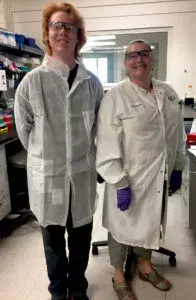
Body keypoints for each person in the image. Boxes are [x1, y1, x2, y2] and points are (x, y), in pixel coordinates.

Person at [14, 2, 103, 300]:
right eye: (56, 26)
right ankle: (57, 291)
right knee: (52, 242)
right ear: (47, 34)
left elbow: (97, 131)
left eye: (69, 26)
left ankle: (77, 288)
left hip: (81, 176)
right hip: (48, 178)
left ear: (79, 36)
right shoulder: (31, 82)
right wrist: (46, 157)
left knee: (80, 239)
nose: (62, 31)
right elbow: (24, 130)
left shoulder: (92, 83)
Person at [96, 40, 186, 300]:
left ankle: (145, 267)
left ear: (151, 59)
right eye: (132, 56)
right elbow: (106, 143)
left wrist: (178, 166)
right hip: (128, 177)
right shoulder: (115, 97)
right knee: (121, 226)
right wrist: (119, 182)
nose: (138, 60)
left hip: (159, 175)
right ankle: (118, 276)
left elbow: (176, 134)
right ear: (125, 63)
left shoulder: (167, 93)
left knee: (149, 222)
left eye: (143, 54)